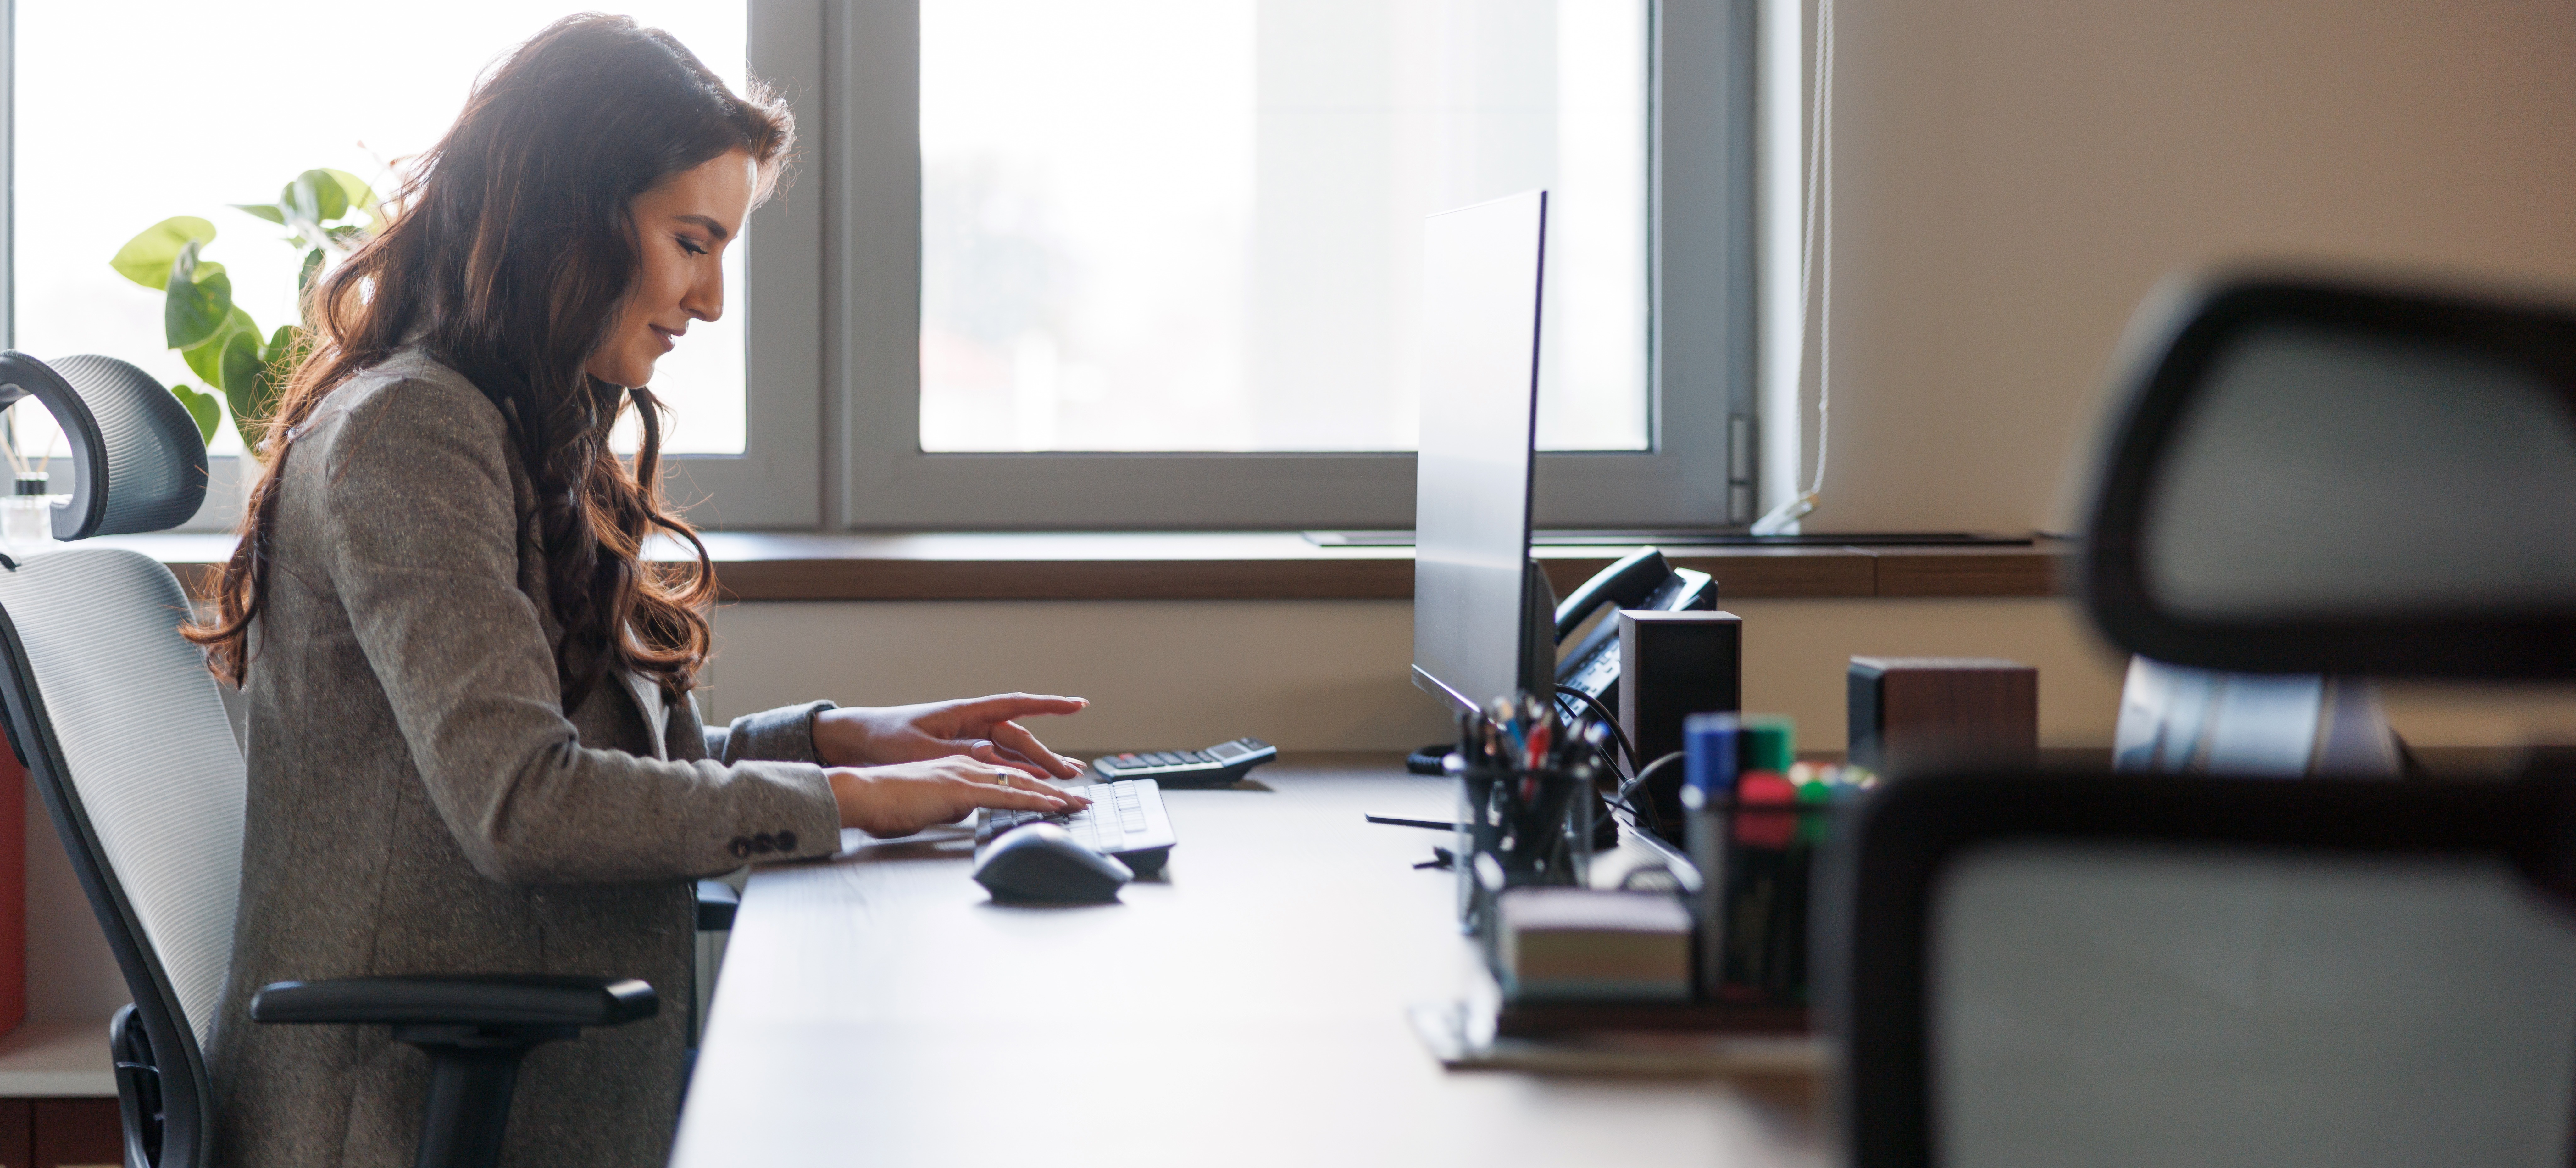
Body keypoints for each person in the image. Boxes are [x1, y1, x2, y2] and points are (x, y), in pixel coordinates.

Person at [180, 16, 1083, 1167]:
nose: (708, 301)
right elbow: (527, 804)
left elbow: (611, 766)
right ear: (573, 213)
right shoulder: (409, 436)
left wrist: (843, 742)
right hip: (398, 1117)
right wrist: (845, 802)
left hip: (520, 1088)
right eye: (691, 242)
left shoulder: (520, 414)